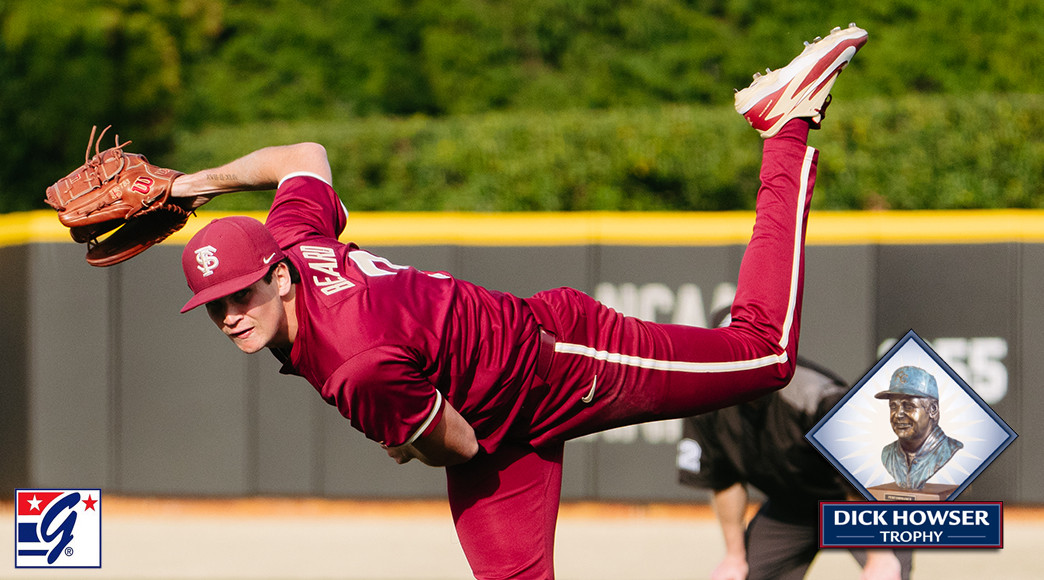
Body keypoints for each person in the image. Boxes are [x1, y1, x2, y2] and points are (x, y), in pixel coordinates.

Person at [170, 25, 868, 580]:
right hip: (493, 421)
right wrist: (193, 183)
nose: (230, 312)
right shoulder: (293, 239)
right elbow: (304, 157)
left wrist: (405, 440)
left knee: (766, 354)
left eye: (241, 292)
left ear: (280, 278)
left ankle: (785, 127)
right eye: (214, 303)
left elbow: (458, 445)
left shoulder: (357, 363)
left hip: (554, 363)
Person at [678, 310, 912, 580]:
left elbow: (861, 471)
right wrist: (734, 557)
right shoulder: (704, 403)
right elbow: (723, 479)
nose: (740, 360)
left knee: (886, 575)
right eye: (729, 351)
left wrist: (879, 558)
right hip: (791, 506)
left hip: (863, 502)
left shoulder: (815, 397)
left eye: (747, 349)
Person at [876, 366, 963, 490]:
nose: (898, 414)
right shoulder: (888, 454)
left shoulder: (949, 449)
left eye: (909, 406)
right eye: (893, 406)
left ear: (933, 410)